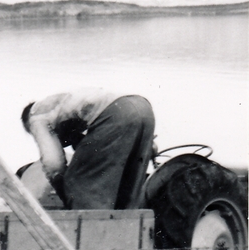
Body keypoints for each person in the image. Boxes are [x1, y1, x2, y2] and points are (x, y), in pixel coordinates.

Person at [21, 89, 155, 210]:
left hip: (115, 114)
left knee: (79, 183)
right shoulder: (61, 105)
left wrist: (63, 187)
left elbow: (53, 163)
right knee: (128, 186)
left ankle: (91, 232)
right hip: (143, 108)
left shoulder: (36, 118)